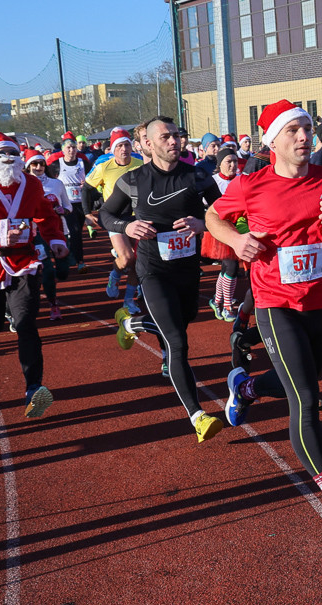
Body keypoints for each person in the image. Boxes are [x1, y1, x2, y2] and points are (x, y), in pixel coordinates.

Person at [205, 99, 322, 521]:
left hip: (318, 301)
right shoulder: (251, 185)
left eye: (306, 128)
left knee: (299, 382)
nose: (304, 136)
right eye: (293, 130)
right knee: (306, 396)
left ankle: (245, 388)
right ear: (272, 142)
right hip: (273, 302)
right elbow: (212, 216)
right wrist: (236, 239)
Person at [100, 115, 224, 443]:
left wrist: (204, 224)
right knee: (177, 342)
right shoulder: (134, 181)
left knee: (183, 322)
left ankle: (129, 325)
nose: (173, 141)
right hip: (153, 271)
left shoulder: (197, 175)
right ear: (149, 144)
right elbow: (106, 214)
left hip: (187, 269)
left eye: (177, 136)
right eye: (166, 137)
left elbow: (223, 211)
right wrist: (126, 227)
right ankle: (198, 415)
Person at [0, 130, 69, 417]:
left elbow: (46, 215)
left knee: (25, 324)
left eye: (13, 153)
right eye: (2, 154)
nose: (10, 159)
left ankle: (34, 389)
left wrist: (56, 239)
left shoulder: (32, 185)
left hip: (25, 263)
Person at [83, 127, 144, 312]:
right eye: (119, 146)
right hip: (114, 217)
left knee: (139, 261)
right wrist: (87, 213)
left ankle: (129, 300)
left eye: (127, 145)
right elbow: (86, 188)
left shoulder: (140, 164)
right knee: (126, 259)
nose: (124, 149)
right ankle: (115, 274)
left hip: (136, 217)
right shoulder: (104, 167)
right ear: (113, 149)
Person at [24, 149, 71, 321]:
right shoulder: (24, 185)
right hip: (36, 234)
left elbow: (68, 206)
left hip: (59, 231)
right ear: (28, 167)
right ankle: (53, 303)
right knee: (47, 271)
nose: (38, 167)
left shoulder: (56, 184)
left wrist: (62, 210)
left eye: (41, 164)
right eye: (34, 164)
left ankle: (53, 284)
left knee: (64, 271)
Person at [203, 147, 242, 321]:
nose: (233, 165)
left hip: (238, 228)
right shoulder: (213, 181)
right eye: (229, 162)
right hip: (219, 229)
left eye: (235, 161)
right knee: (231, 267)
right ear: (220, 164)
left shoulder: (242, 180)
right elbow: (205, 206)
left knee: (227, 268)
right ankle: (227, 306)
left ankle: (217, 300)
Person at [47, 134, 90, 273]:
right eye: (68, 147)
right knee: (75, 231)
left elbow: (92, 179)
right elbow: (49, 181)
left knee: (77, 232)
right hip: (66, 204)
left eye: (73, 147)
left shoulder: (83, 163)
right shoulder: (56, 164)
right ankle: (80, 261)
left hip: (81, 203)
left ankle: (72, 254)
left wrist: (87, 184)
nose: (71, 150)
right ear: (63, 150)